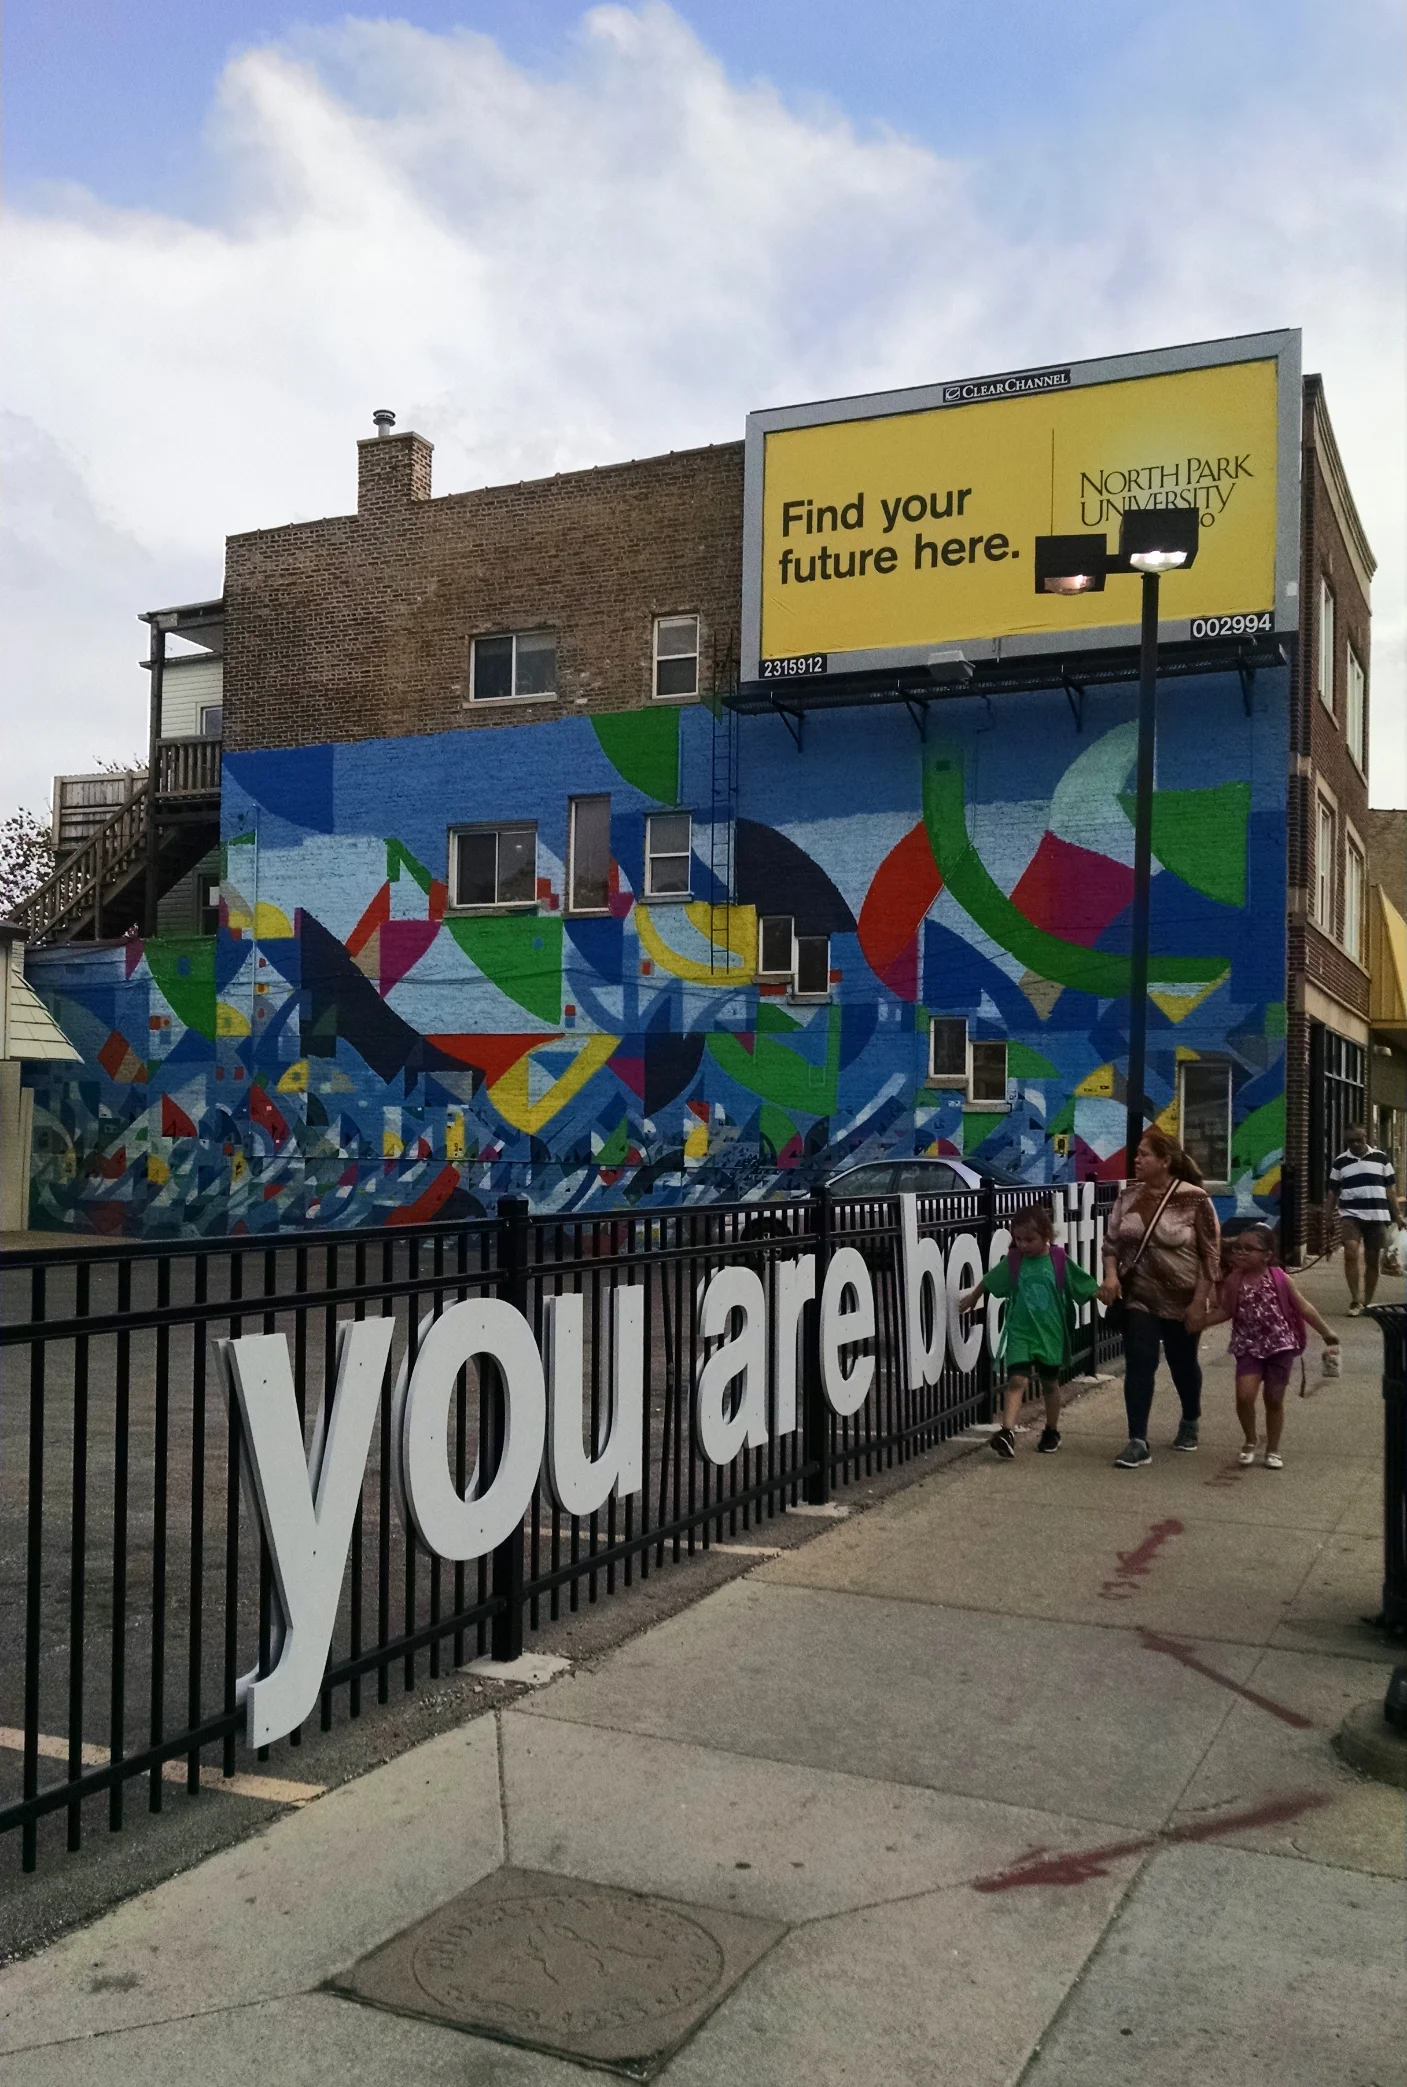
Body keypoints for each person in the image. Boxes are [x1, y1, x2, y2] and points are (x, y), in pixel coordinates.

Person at [1098, 1128, 1222, 1469]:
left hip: (1184, 1299)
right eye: (1138, 1154)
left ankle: (1190, 1419)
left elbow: (1211, 1256)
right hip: (1140, 1296)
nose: (1137, 1159)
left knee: (1183, 1364)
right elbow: (1111, 1246)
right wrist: (1111, 1276)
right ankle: (1137, 1440)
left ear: (1165, 1161)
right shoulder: (1128, 1197)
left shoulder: (1194, 1199)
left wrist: (1200, 1302)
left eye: (1144, 1154)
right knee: (1140, 1361)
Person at [958, 1203, 1099, 1458]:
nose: (1023, 1245)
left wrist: (1104, 1293)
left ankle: (1051, 1430)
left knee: (1050, 1384)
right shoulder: (1014, 1261)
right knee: (1017, 1380)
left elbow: (1081, 1283)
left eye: (1029, 1239)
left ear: (1046, 1235)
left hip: (1050, 1333)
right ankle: (1007, 1431)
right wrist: (973, 1297)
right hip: (1020, 1331)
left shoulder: (1058, 1260)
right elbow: (991, 1280)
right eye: (1018, 1239)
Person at [1202, 1225, 1338, 1468]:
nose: (1240, 1253)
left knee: (1274, 1399)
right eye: (1237, 1248)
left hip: (1280, 1347)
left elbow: (1304, 1308)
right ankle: (1250, 1439)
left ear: (1266, 1255)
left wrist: (1327, 1333)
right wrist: (1198, 1323)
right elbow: (1226, 1310)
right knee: (1244, 1396)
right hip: (1247, 1346)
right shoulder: (1235, 1280)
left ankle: (1273, 1448)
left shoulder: (1281, 1278)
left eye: (1248, 1249)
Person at [1326, 1123, 1403, 1315]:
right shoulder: (1340, 1162)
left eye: (1359, 1139)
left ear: (1365, 1138)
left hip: (1377, 1215)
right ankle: (1355, 1300)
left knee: (1372, 1259)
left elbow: (1391, 1190)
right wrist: (1328, 1218)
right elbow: (1332, 1192)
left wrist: (1398, 1215)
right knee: (1351, 1252)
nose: (1356, 1144)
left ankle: (1368, 1303)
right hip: (1350, 1215)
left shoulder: (1381, 1159)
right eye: (1351, 1141)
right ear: (1346, 1142)